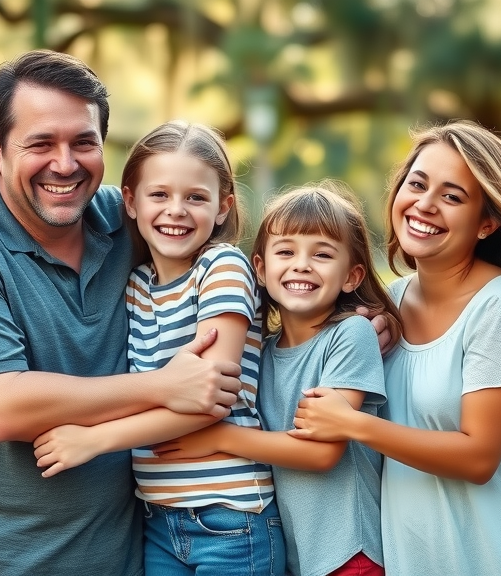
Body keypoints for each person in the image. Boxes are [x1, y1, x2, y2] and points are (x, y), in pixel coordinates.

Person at [0, 51, 247, 576]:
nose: (65, 165)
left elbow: (255, 267)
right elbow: (5, 409)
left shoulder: (130, 218)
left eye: (83, 142)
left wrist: (350, 315)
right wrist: (162, 386)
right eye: (40, 143)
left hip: (129, 558)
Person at [290, 120, 501, 576]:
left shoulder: (500, 305)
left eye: (452, 196)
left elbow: (479, 456)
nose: (424, 205)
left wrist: (352, 424)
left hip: (497, 556)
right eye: (417, 184)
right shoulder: (392, 303)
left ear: (487, 223)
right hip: (416, 558)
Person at [32, 120, 286, 575]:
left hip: (231, 518)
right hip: (159, 520)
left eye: (196, 197)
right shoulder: (137, 286)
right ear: (129, 201)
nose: (177, 210)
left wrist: (93, 439)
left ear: (224, 207)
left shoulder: (221, 267)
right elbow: (154, 388)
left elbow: (212, 398)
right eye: (159, 195)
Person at [153, 182, 403, 576]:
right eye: (285, 251)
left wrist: (218, 439)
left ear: (352, 276)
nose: (302, 264)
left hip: (349, 552)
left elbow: (321, 453)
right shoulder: (262, 353)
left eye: (322, 254)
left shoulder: (351, 335)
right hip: (295, 552)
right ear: (261, 268)